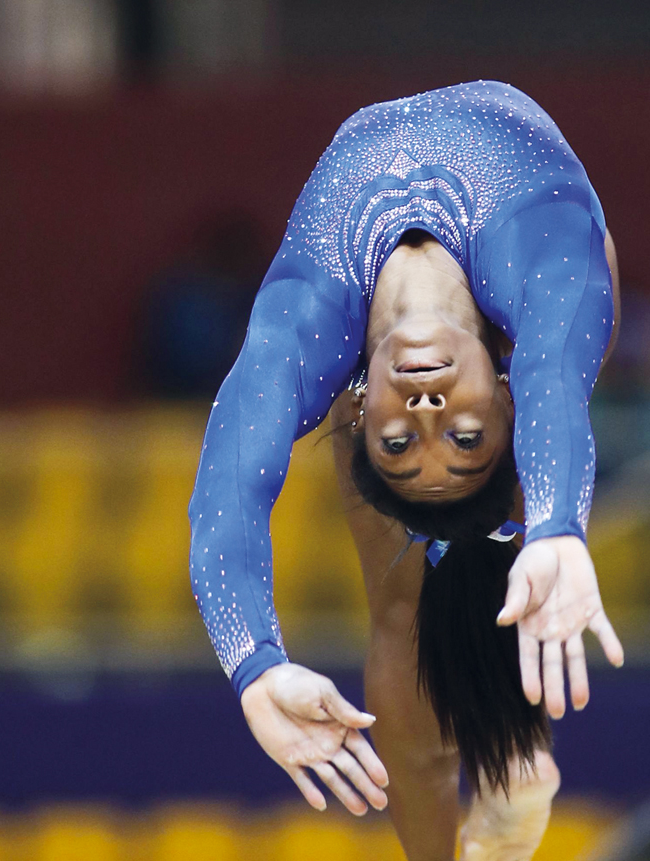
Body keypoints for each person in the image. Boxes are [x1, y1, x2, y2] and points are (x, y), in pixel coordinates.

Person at [189, 80, 623, 859]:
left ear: (358, 410)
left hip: (484, 348)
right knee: (415, 597)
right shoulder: (546, 269)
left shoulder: (311, 323)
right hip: (547, 285)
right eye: (463, 435)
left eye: (397, 443)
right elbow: (552, 377)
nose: (425, 412)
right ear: (502, 388)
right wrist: (556, 527)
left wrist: (254, 665)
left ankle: (507, 754)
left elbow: (225, 494)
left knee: (407, 600)